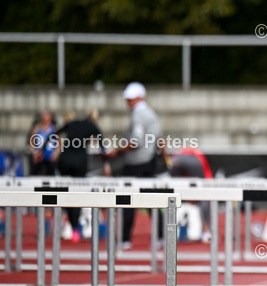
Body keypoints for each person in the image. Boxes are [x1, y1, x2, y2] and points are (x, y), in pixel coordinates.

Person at [107, 83, 165, 249]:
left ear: (139, 97)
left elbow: (135, 140)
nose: (128, 103)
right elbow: (160, 139)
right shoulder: (152, 114)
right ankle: (161, 235)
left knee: (127, 200)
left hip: (136, 163)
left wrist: (117, 151)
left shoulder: (138, 115)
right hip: (150, 160)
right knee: (151, 199)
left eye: (130, 99)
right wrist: (164, 158)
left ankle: (125, 238)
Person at [54, 110, 106, 241]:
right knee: (77, 194)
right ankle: (75, 227)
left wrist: (41, 149)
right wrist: (104, 159)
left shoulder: (72, 123)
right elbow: (101, 143)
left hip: (64, 160)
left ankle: (72, 224)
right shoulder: (91, 126)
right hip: (79, 162)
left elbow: (53, 135)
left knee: (66, 193)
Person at [27, 111, 58, 176]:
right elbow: (31, 142)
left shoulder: (54, 129)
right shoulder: (37, 129)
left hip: (50, 157)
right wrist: (34, 153)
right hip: (39, 156)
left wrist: (56, 154)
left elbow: (59, 143)